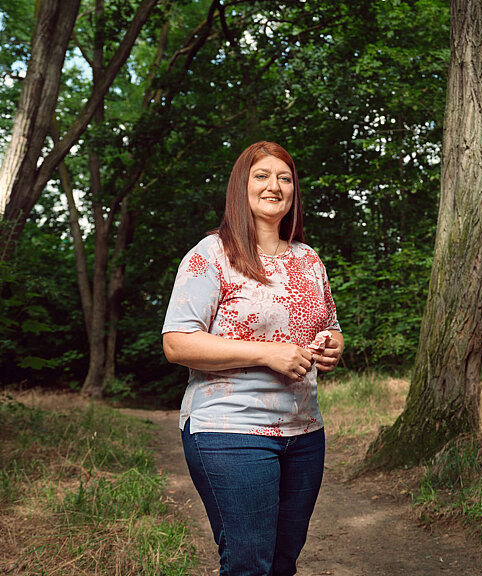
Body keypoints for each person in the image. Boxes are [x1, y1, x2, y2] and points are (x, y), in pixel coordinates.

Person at [162, 141, 343, 576]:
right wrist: (268, 354)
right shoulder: (211, 254)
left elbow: (330, 323)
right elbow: (177, 343)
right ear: (240, 187)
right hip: (229, 428)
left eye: (284, 177)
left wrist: (334, 343)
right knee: (249, 563)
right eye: (261, 175)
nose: (274, 186)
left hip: (304, 432)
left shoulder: (308, 259)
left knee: (282, 561)